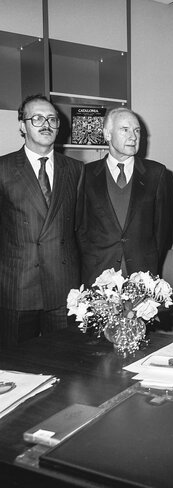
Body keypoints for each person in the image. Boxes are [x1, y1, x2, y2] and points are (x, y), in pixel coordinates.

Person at [0, 94, 84, 347]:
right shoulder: (3, 168)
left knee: (65, 364)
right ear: (22, 126)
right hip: (18, 287)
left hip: (63, 288)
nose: (45, 124)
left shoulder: (76, 169)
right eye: (36, 118)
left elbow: (79, 228)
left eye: (52, 119)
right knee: (16, 369)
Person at [77, 107, 172, 286]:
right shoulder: (85, 174)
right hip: (98, 275)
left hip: (142, 275)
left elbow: (161, 229)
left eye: (137, 131)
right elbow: (81, 229)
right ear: (107, 134)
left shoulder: (156, 174)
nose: (133, 136)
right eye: (125, 129)